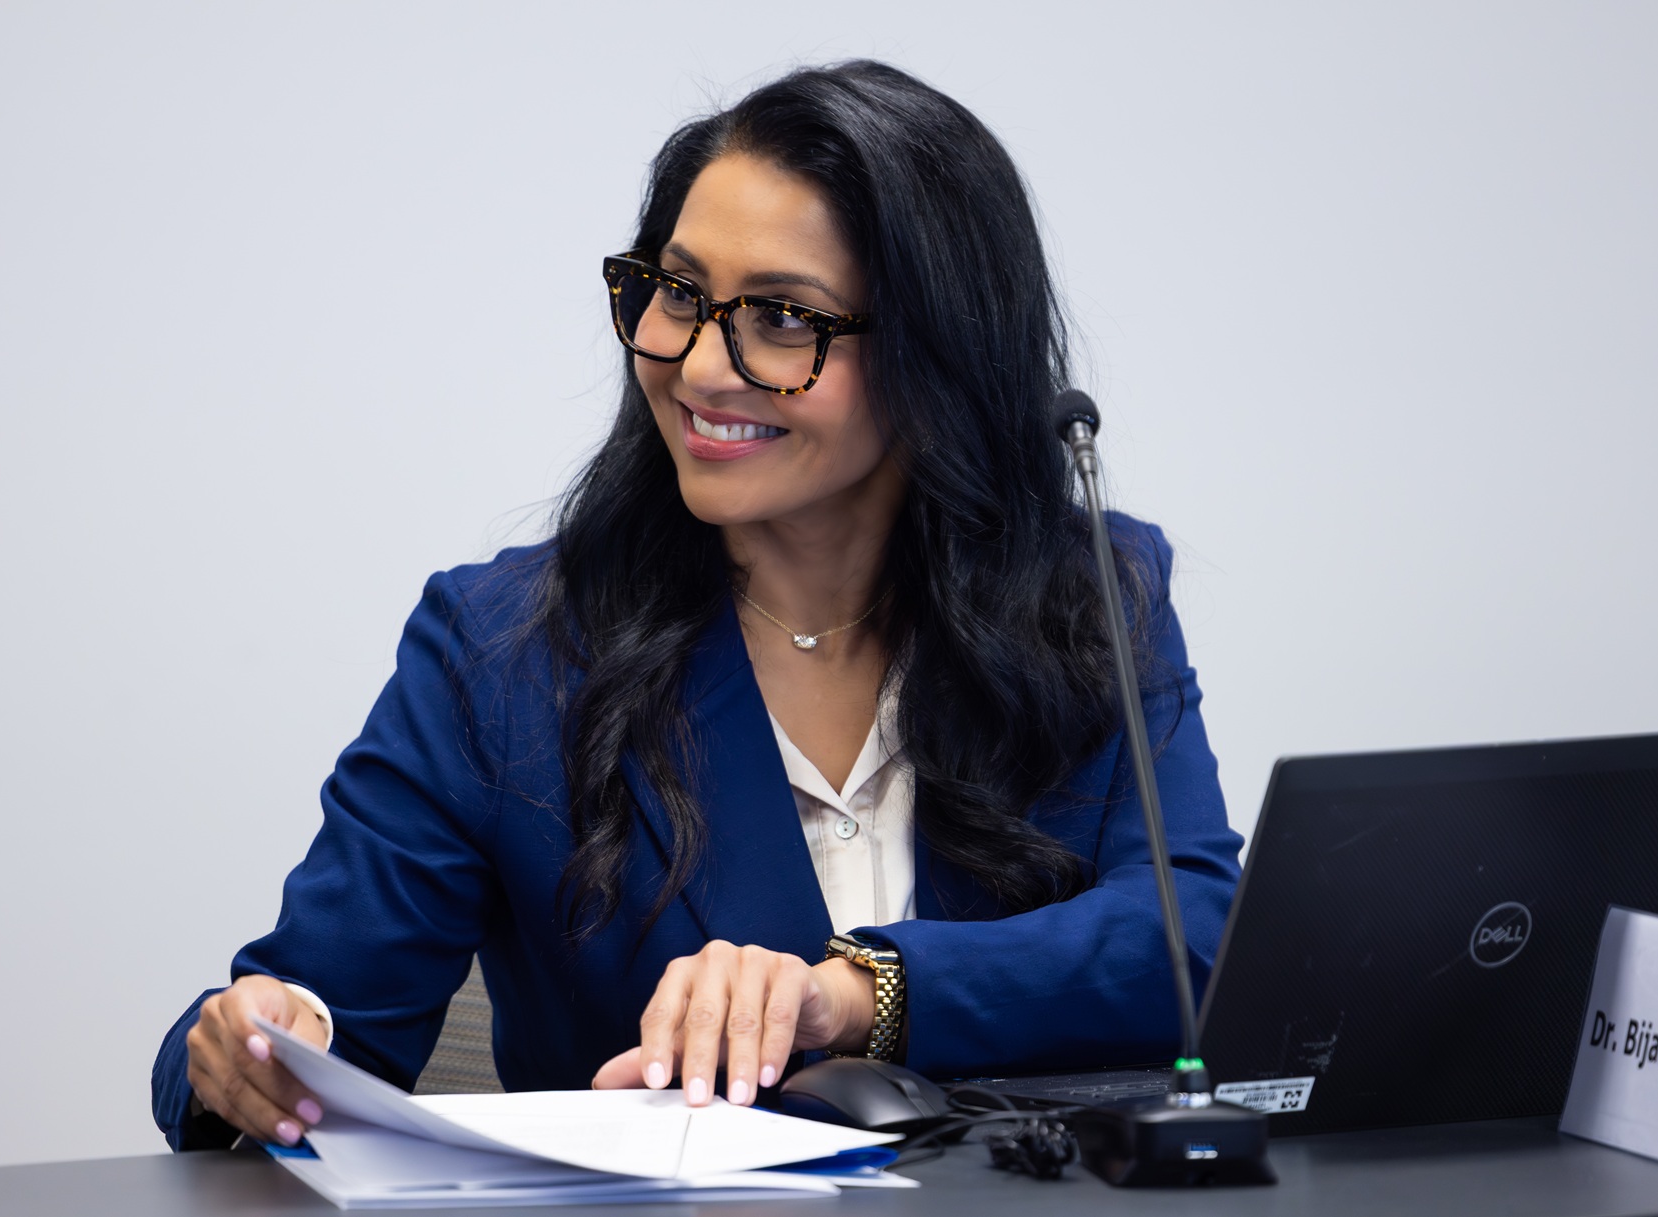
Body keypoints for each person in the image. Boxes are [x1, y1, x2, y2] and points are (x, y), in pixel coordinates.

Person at [151, 59, 1243, 1153]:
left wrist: (861, 992)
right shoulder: (502, 653)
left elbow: (1198, 934)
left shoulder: (1091, 599)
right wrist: (255, 1043)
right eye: (678, 293)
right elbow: (317, 1012)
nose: (698, 364)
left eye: (779, 315)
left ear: (937, 354)